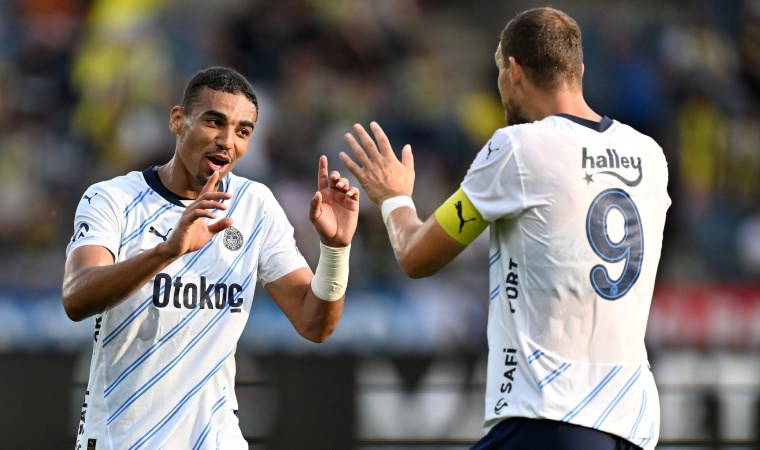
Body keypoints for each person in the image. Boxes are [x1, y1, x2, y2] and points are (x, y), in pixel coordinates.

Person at [340, 7, 668, 450]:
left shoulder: (519, 148)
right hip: (634, 422)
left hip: (552, 415)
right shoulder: (648, 155)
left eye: (498, 70)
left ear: (513, 70)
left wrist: (394, 197)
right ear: (579, 70)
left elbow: (415, 255)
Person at [62, 66, 360, 449]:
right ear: (177, 120)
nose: (227, 141)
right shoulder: (113, 199)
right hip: (122, 439)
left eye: (242, 131)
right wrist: (168, 251)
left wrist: (335, 250)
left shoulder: (255, 205)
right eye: (214, 122)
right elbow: (76, 297)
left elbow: (314, 324)